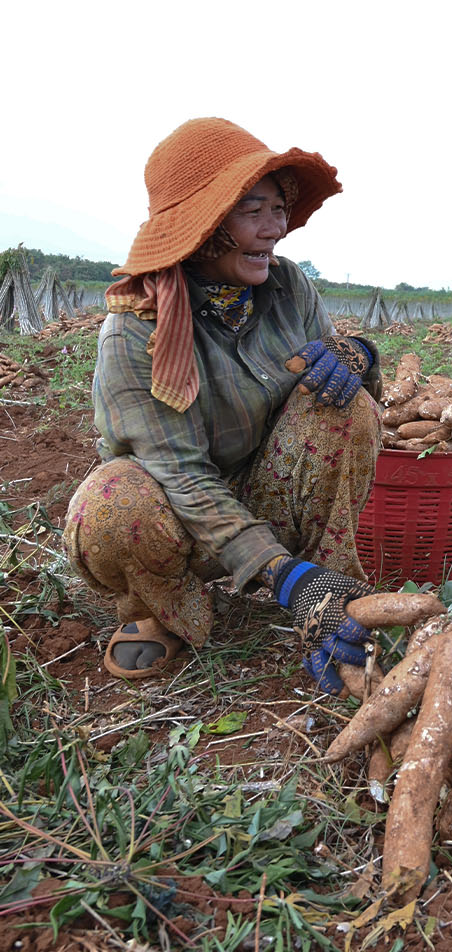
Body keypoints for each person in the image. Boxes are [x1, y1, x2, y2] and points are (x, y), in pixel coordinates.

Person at [63, 117, 383, 690]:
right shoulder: (135, 329)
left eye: (279, 208)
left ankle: (333, 592)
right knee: (111, 502)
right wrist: (283, 576)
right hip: (179, 517)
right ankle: (163, 611)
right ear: (203, 227)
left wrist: (358, 356)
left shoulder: (287, 286)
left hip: (269, 490)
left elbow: (331, 365)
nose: (276, 228)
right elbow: (180, 475)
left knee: (346, 404)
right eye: (253, 210)